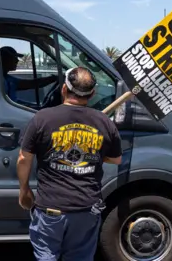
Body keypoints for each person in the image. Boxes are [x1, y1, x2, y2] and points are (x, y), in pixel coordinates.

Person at [16, 66, 122, 261]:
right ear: (93, 93)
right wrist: (94, 154)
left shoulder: (42, 118)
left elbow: (24, 158)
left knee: (46, 255)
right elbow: (116, 159)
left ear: (64, 89)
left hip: (50, 209)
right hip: (86, 209)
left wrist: (24, 190)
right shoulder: (105, 122)